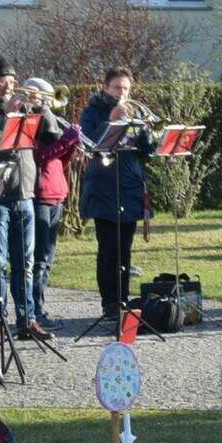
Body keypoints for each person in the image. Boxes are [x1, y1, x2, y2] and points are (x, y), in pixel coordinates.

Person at [0, 53, 65, 341]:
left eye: (13, 80)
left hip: (24, 192)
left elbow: (52, 135)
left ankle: (28, 320)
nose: (11, 85)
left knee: (25, 261)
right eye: (4, 81)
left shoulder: (23, 106)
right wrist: (8, 116)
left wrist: (42, 107)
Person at [78, 65, 157, 323]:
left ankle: (124, 299)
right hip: (103, 187)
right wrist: (111, 119)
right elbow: (90, 143)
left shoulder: (135, 111)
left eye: (126, 88)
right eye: (116, 88)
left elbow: (147, 152)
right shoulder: (93, 112)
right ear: (105, 88)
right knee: (108, 248)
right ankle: (109, 304)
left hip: (131, 186)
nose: (121, 93)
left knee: (126, 249)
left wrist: (146, 131)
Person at [25, 76, 81, 330]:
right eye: (41, 97)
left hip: (56, 193)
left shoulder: (50, 121)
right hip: (39, 195)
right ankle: (34, 310)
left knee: (48, 257)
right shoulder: (30, 123)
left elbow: (59, 161)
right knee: (38, 258)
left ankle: (40, 307)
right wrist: (65, 142)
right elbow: (39, 157)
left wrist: (71, 145)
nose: (46, 103)